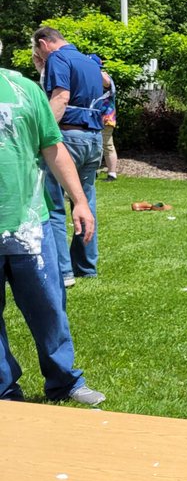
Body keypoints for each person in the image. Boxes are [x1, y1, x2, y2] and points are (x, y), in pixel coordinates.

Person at [0, 42, 107, 406]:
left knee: (49, 307)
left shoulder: (24, 89)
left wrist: (79, 200)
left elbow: (53, 145)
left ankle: (65, 382)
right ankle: (4, 391)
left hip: (31, 222)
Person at [31, 27, 105, 288]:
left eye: (37, 50)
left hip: (69, 137)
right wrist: (43, 70)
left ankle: (63, 272)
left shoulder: (58, 59)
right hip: (93, 139)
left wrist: (41, 136)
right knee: (84, 201)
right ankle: (86, 266)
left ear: (44, 43)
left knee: (53, 205)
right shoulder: (89, 61)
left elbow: (61, 98)